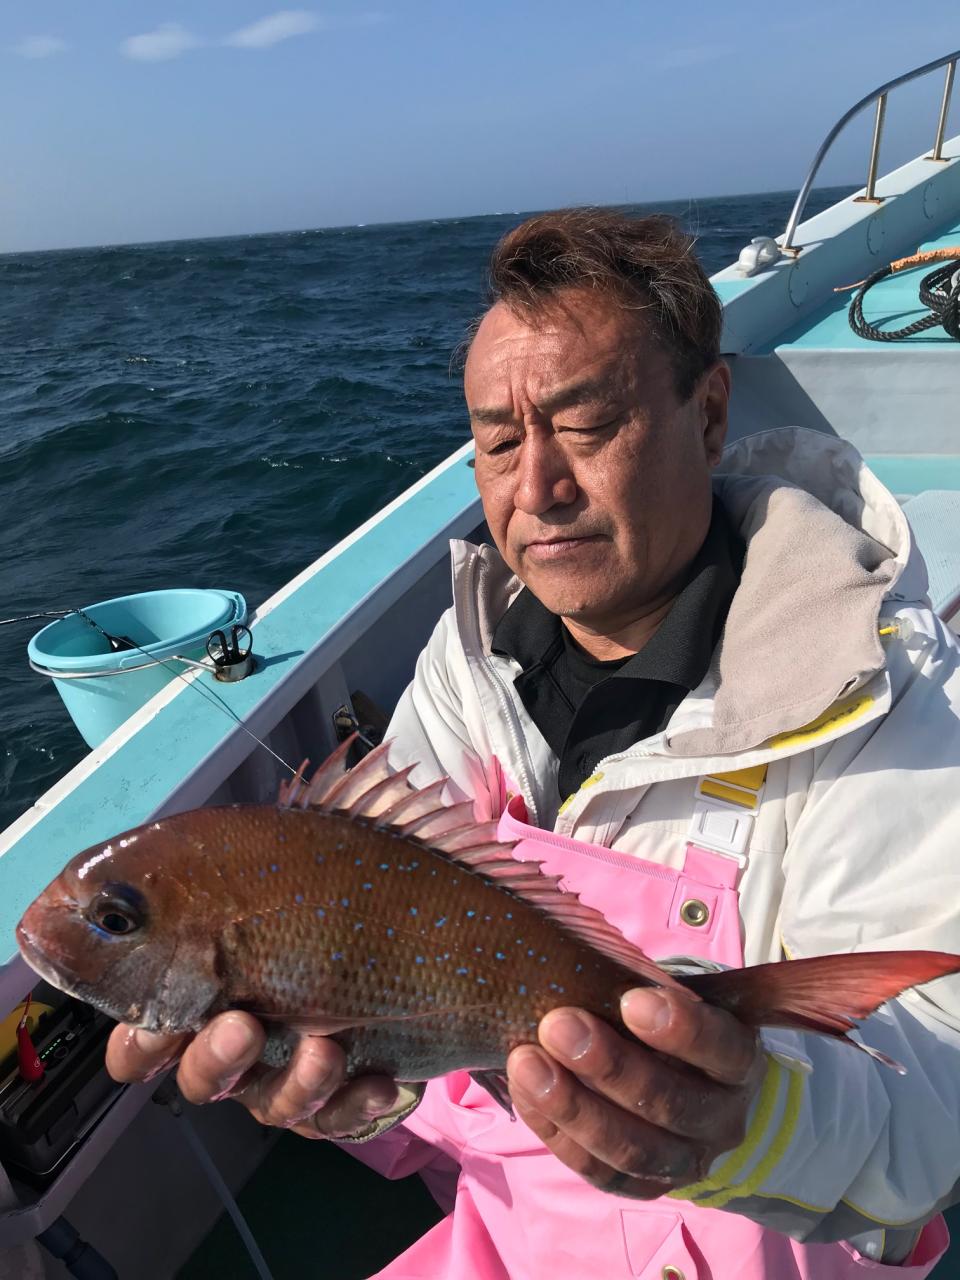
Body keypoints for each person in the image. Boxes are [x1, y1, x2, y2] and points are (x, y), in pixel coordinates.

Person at [106, 211, 960, 1278]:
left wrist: (748, 1113)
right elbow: (422, 1038)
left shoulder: (881, 694)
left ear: (708, 414)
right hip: (509, 1239)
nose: (536, 487)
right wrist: (349, 1097)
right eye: (499, 443)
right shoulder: (468, 662)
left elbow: (934, 1103)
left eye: (587, 425)